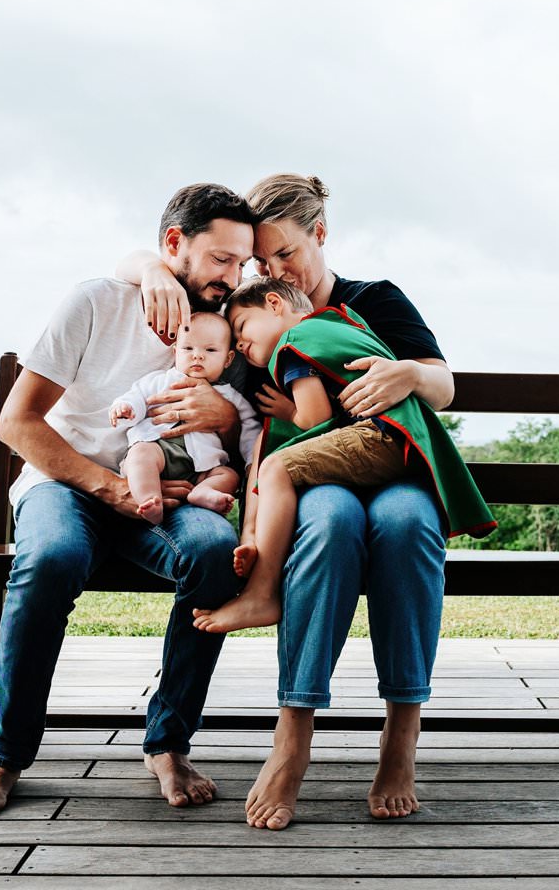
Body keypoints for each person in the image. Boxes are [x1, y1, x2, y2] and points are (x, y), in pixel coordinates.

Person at [117, 173, 460, 829]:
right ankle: (292, 739)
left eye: (286, 254)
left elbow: (442, 384)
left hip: (394, 471)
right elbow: (231, 399)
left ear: (320, 236)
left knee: (409, 522)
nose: (272, 268)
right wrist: (149, 273)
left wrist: (409, 372)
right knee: (329, 522)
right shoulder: (253, 315)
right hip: (312, 485)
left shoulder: (371, 302)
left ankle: (401, 739)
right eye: (260, 259)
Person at [0, 183, 255, 819]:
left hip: (170, 496)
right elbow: (19, 424)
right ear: (173, 244)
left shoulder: (230, 326)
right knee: (54, 557)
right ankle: (2, 756)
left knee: (213, 552)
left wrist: (223, 414)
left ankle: (167, 744)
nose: (233, 275)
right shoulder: (97, 302)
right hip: (66, 485)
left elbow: (250, 434)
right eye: (221, 259)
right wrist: (112, 488)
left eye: (242, 262)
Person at [192, 277, 493, 634]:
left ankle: (261, 593)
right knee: (274, 457)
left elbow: (315, 417)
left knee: (274, 468)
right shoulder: (339, 322)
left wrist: (289, 413)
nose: (241, 344)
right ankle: (255, 545)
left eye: (242, 328)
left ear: (275, 304)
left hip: (379, 436)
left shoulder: (292, 344)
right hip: (405, 436)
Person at [110, 311, 260, 524]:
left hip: (201, 466)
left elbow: (250, 429)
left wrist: (251, 462)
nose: (197, 355)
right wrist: (126, 408)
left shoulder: (230, 397)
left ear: (227, 359)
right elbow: (137, 396)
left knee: (228, 475)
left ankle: (203, 492)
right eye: (188, 348)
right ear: (175, 352)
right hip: (158, 448)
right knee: (140, 455)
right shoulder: (161, 380)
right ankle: (149, 501)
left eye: (210, 350)